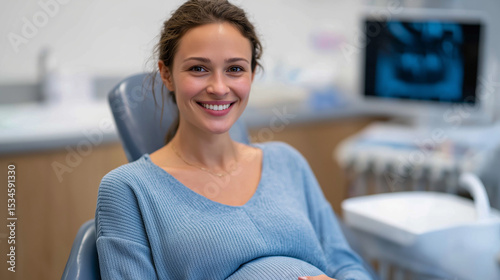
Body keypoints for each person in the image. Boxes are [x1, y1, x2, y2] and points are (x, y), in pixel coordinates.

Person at [95, 0, 373, 279]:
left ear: (252, 74)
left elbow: (346, 265)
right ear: (166, 75)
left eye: (235, 69)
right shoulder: (127, 190)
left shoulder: (286, 162)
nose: (219, 88)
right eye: (198, 69)